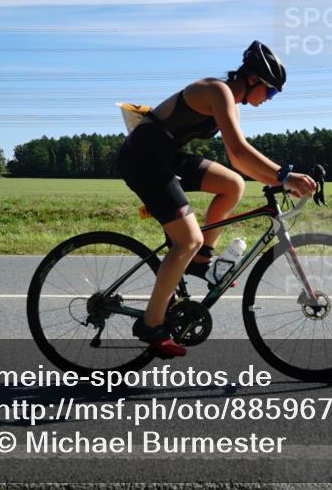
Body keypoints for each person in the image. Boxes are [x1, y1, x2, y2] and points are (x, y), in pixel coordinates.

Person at [118, 40, 317, 357]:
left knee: (233, 184)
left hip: (165, 156)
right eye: (270, 92)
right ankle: (151, 324)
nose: (269, 99)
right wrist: (285, 175)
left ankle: (201, 260)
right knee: (187, 239)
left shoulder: (233, 103)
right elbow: (238, 150)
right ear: (253, 79)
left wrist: (283, 182)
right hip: (143, 159)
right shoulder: (217, 91)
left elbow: (239, 162)